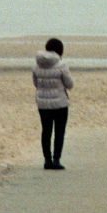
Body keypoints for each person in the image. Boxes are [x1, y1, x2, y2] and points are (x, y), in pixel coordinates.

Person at [33, 38, 74, 170]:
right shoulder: (62, 65)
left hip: (43, 103)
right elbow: (69, 84)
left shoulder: (36, 65)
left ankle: (47, 160)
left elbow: (36, 83)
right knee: (59, 132)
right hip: (60, 103)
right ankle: (56, 160)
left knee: (46, 131)